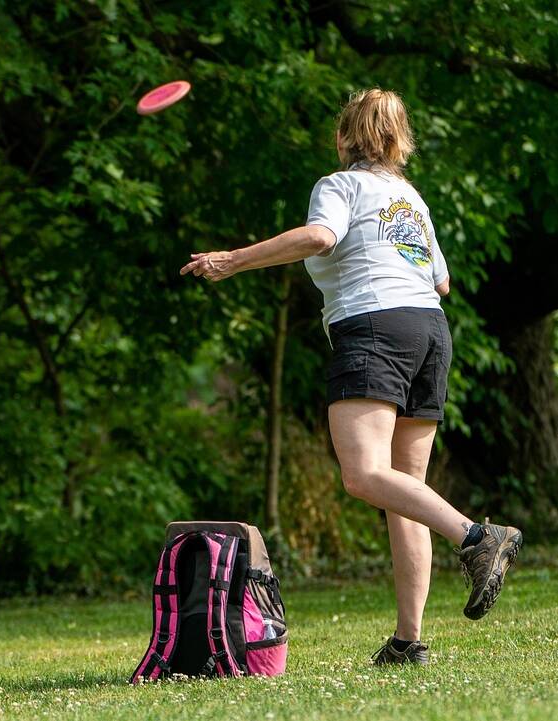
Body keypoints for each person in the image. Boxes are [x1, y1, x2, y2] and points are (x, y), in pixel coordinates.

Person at [179, 88, 523, 665]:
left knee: (364, 475)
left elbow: (320, 237)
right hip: (429, 330)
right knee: (404, 491)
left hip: (375, 327)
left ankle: (477, 537)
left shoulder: (338, 185)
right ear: (398, 141)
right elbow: (441, 281)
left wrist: (232, 259)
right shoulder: (410, 198)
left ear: (343, 138)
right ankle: (409, 641)